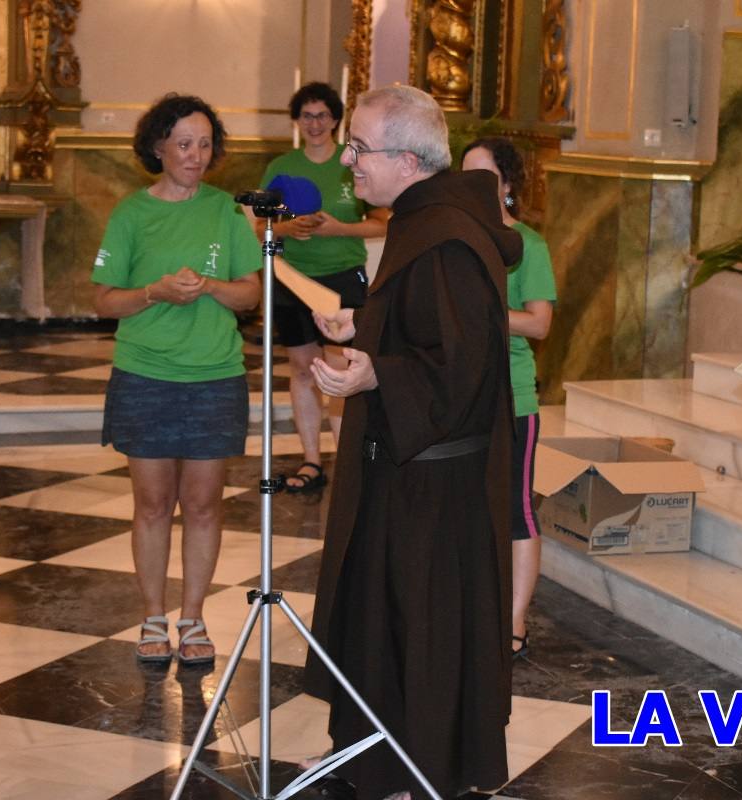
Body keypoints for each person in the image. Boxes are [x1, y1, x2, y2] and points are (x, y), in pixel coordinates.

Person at [304, 85, 523, 800]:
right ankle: (382, 763)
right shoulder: (421, 220)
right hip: (407, 477)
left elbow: (460, 373)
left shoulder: (446, 238)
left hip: (431, 493)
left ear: (405, 157)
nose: (348, 161)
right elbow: (427, 331)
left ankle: (413, 775)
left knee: (418, 637)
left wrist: (376, 375)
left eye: (359, 148)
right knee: (390, 632)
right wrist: (364, 332)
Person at [92, 94, 261, 666]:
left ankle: (192, 618)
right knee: (152, 504)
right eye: (184, 144)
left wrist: (212, 286)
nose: (195, 155)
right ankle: (151, 617)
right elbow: (103, 301)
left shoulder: (226, 211)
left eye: (205, 144)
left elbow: (252, 291)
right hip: (146, 374)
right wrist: (154, 293)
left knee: (205, 503)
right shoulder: (131, 214)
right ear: (158, 147)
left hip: (215, 376)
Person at [260, 81, 389, 492]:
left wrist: (338, 229)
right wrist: (286, 227)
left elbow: (383, 221)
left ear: (336, 120)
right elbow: (259, 226)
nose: (315, 123)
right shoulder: (282, 166)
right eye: (306, 115)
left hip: (340, 277)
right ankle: (311, 461)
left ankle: (346, 460)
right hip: (292, 277)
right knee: (302, 370)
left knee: (337, 370)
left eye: (322, 115)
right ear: (297, 121)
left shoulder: (352, 163)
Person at [461, 137, 556, 660]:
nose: (473, 188)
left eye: (485, 177)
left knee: (514, 510)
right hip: (460, 396)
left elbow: (539, 323)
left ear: (509, 185)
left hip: (510, 397)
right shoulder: (453, 239)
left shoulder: (529, 245)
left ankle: (514, 621)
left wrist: (481, 312)